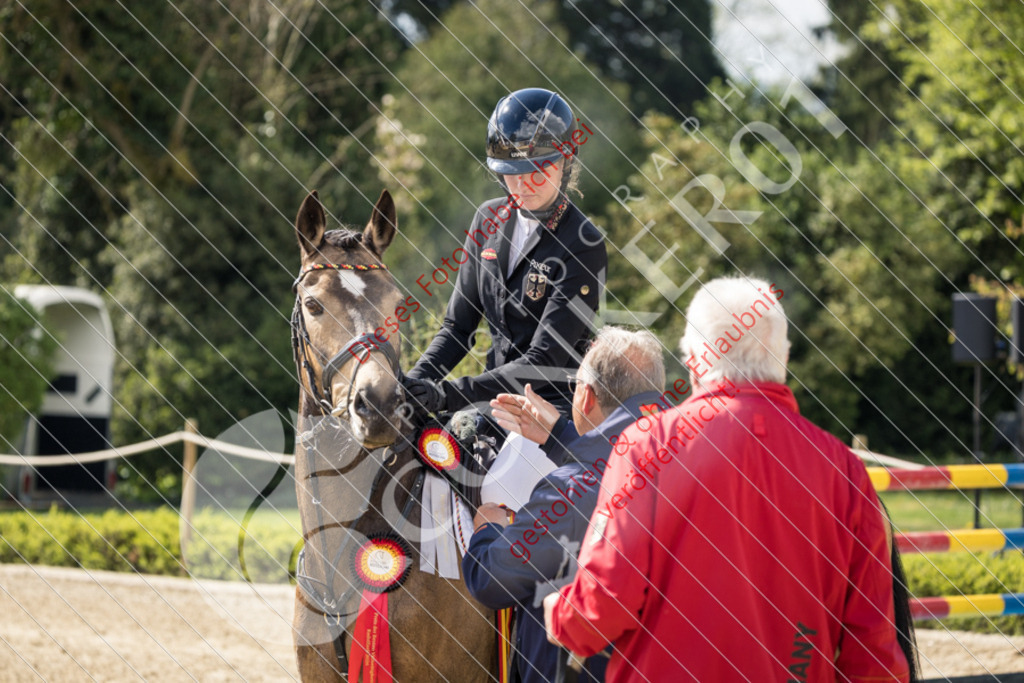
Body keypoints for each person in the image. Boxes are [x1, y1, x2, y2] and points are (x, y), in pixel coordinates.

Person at [543, 276, 911, 682]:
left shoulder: (646, 447)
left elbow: (601, 607)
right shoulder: (845, 471)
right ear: (783, 357)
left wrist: (560, 614)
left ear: (695, 359)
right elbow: (874, 657)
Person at [402, 88, 607, 509]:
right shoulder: (488, 218)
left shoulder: (584, 242)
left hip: (547, 412)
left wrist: (449, 395)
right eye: (510, 172)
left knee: (486, 485)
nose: (522, 184)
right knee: (415, 463)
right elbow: (458, 328)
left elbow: (546, 358)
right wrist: (414, 385)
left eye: (536, 170)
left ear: (565, 162)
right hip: (488, 401)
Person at [463, 327, 666, 683]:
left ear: (586, 397)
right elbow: (618, 462)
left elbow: (492, 579)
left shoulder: (568, 491)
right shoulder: (699, 459)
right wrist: (564, 440)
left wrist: (487, 528)